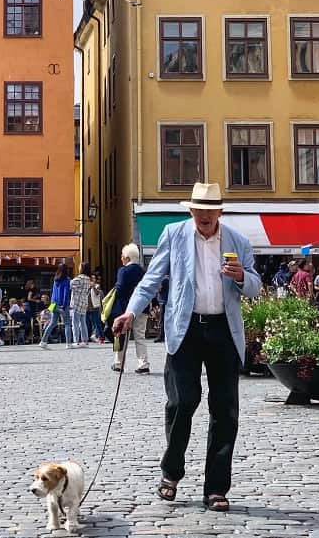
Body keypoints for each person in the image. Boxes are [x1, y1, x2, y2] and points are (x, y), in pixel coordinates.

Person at [112, 182, 262, 512]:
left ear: (220, 212)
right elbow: (151, 279)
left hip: (224, 329)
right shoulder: (174, 234)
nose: (205, 215)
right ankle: (171, 473)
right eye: (199, 209)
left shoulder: (237, 240)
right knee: (182, 401)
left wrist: (240, 277)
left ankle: (216, 488)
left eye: (211, 209)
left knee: (225, 410)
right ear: (190, 210)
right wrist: (131, 311)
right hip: (186, 328)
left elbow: (255, 287)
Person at [111, 244, 150, 374]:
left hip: (126, 309)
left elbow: (120, 288)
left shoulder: (123, 271)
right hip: (142, 308)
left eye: (122, 256)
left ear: (127, 258)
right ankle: (143, 364)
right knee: (140, 336)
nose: (121, 259)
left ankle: (119, 363)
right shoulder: (143, 271)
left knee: (122, 336)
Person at [39, 265, 72, 350]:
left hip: (53, 303)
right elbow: (66, 294)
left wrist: (51, 305)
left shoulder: (55, 279)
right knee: (67, 323)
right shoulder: (67, 280)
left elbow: (53, 292)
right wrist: (64, 306)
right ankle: (68, 343)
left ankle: (43, 341)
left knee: (52, 323)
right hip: (62, 304)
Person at [69, 261, 92, 347]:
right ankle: (85, 341)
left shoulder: (79, 278)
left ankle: (76, 341)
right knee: (83, 323)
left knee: (75, 323)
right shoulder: (88, 279)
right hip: (84, 302)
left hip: (76, 302)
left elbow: (70, 284)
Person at [87, 275, 105, 344]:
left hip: (95, 308)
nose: (92, 280)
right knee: (89, 324)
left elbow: (97, 293)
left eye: (93, 279)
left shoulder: (97, 286)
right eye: (91, 279)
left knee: (97, 323)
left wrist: (93, 287)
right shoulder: (87, 287)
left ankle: (100, 337)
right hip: (87, 308)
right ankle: (89, 337)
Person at [156, 278, 170, 343]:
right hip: (165, 302)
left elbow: (159, 289)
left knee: (162, 320)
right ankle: (162, 336)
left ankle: (161, 337)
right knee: (163, 320)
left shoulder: (164, 280)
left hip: (163, 302)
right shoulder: (168, 280)